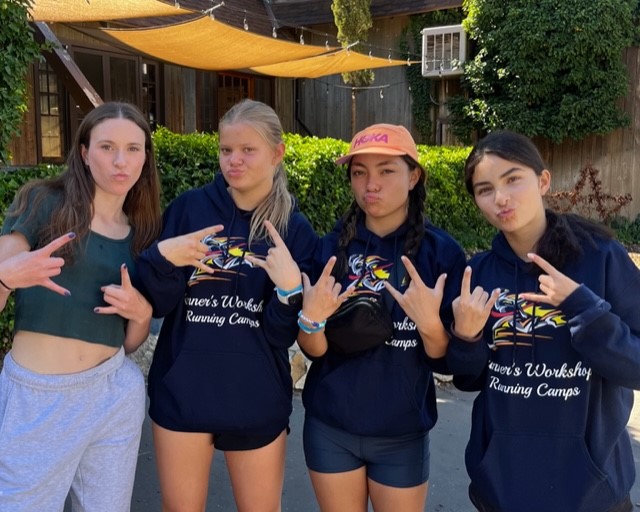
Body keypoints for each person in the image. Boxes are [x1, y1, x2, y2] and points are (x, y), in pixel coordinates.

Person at [137, 99, 317, 512]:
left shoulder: (293, 228)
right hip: (183, 390)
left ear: (277, 152)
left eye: (247, 150)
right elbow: (161, 304)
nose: (233, 161)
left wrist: (289, 293)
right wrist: (162, 258)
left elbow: (279, 333)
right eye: (225, 150)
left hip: (255, 398)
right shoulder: (189, 209)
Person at [446, 130, 640, 512]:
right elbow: (468, 380)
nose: (500, 198)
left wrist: (584, 308)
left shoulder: (600, 257)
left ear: (543, 180)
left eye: (513, 178)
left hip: (593, 495)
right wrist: (466, 338)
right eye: (484, 189)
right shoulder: (479, 274)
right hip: (503, 491)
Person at [0, 101, 162, 511]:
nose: (120, 161)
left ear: (145, 157)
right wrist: (7, 277)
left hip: (113, 390)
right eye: (106, 147)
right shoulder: (42, 203)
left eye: (133, 148)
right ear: (85, 152)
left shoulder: (141, 230)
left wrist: (141, 314)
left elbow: (128, 343)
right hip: (40, 395)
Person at [296, 123, 466, 512]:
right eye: (360, 172)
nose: (371, 184)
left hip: (401, 433)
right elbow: (314, 350)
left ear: (413, 176)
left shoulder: (441, 255)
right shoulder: (332, 248)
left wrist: (430, 324)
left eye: (386, 170)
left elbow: (444, 359)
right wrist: (312, 320)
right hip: (331, 427)